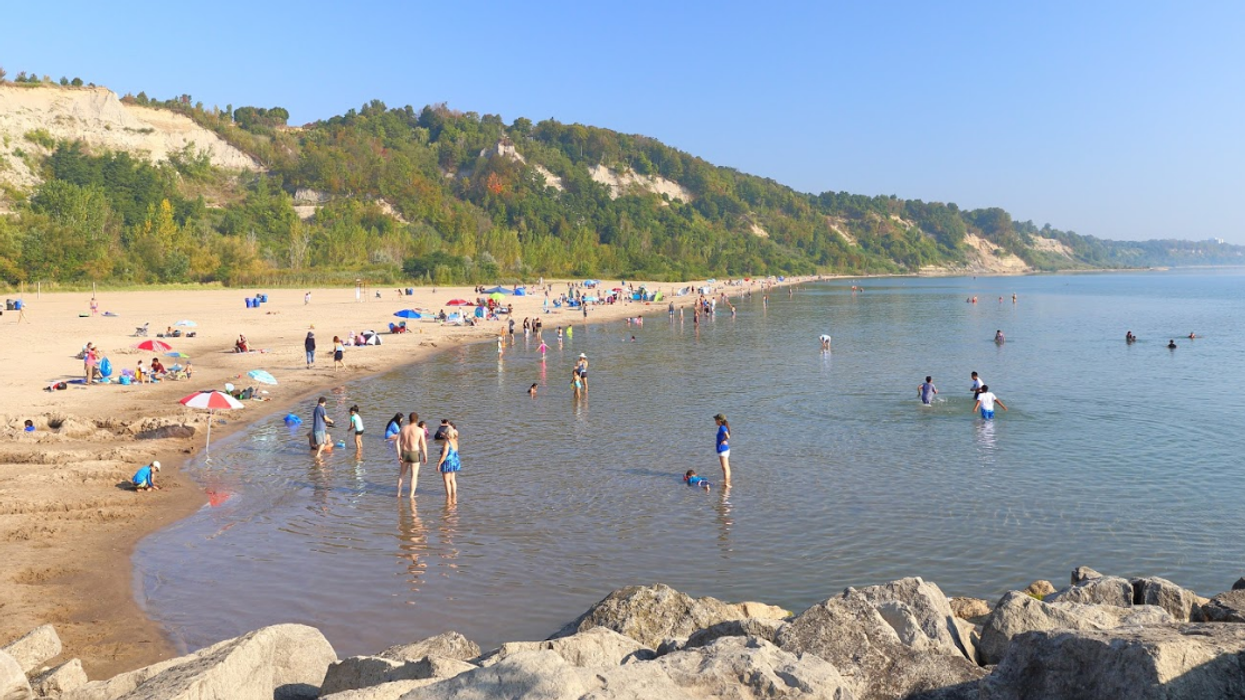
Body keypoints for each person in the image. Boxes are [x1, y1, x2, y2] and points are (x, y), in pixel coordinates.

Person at [395, 412, 427, 498]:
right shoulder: (420, 430)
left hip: (404, 452)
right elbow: (423, 445)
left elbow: (397, 442)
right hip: (414, 453)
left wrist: (399, 454)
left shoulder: (403, 428)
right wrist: (425, 456)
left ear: (409, 419)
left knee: (402, 474)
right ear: (417, 420)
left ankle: (398, 493)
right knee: (414, 476)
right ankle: (411, 495)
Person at [437, 421, 461, 504]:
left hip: (447, 462)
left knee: (446, 480)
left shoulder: (447, 443)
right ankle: (454, 496)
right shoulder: (455, 441)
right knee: (452, 479)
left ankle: (448, 497)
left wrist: (439, 463)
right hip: (454, 461)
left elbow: (444, 454)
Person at [714, 413, 731, 487]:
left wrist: (723, 440)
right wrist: (724, 440)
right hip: (725, 450)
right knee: (726, 467)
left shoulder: (722, 428)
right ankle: (728, 481)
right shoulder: (723, 427)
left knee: (725, 468)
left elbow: (728, 436)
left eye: (716, 420)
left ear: (719, 420)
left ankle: (726, 484)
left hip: (722, 450)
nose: (715, 421)